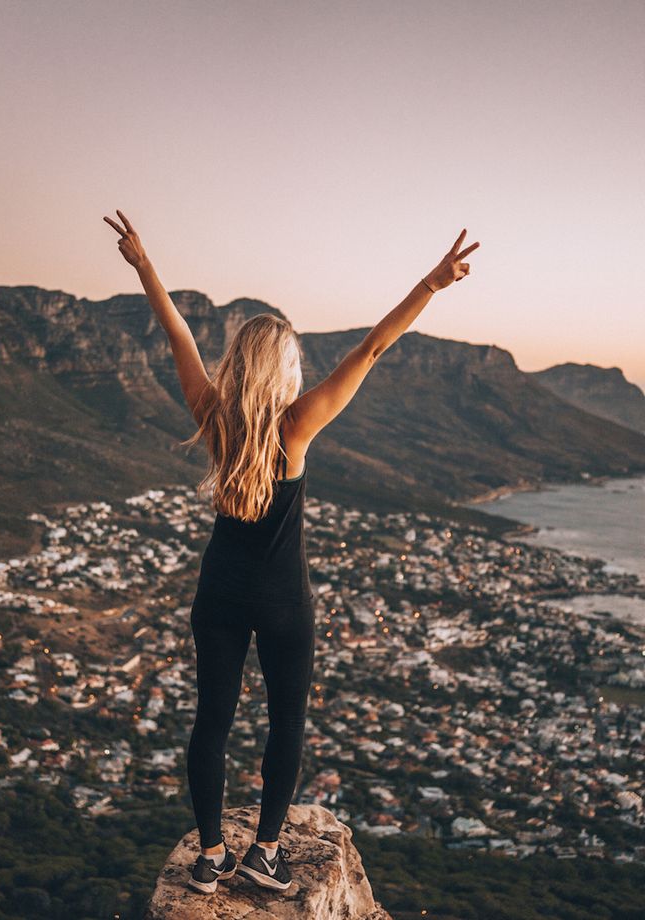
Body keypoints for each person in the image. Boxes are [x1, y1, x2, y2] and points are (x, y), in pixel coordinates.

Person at [104, 209, 480, 894]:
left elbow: (175, 332)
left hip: (217, 594)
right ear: (283, 368)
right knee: (286, 724)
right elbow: (370, 350)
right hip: (283, 602)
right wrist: (430, 284)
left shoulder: (212, 416)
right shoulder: (297, 426)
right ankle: (266, 853)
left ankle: (212, 855)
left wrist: (145, 267)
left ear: (237, 364)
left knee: (211, 722)